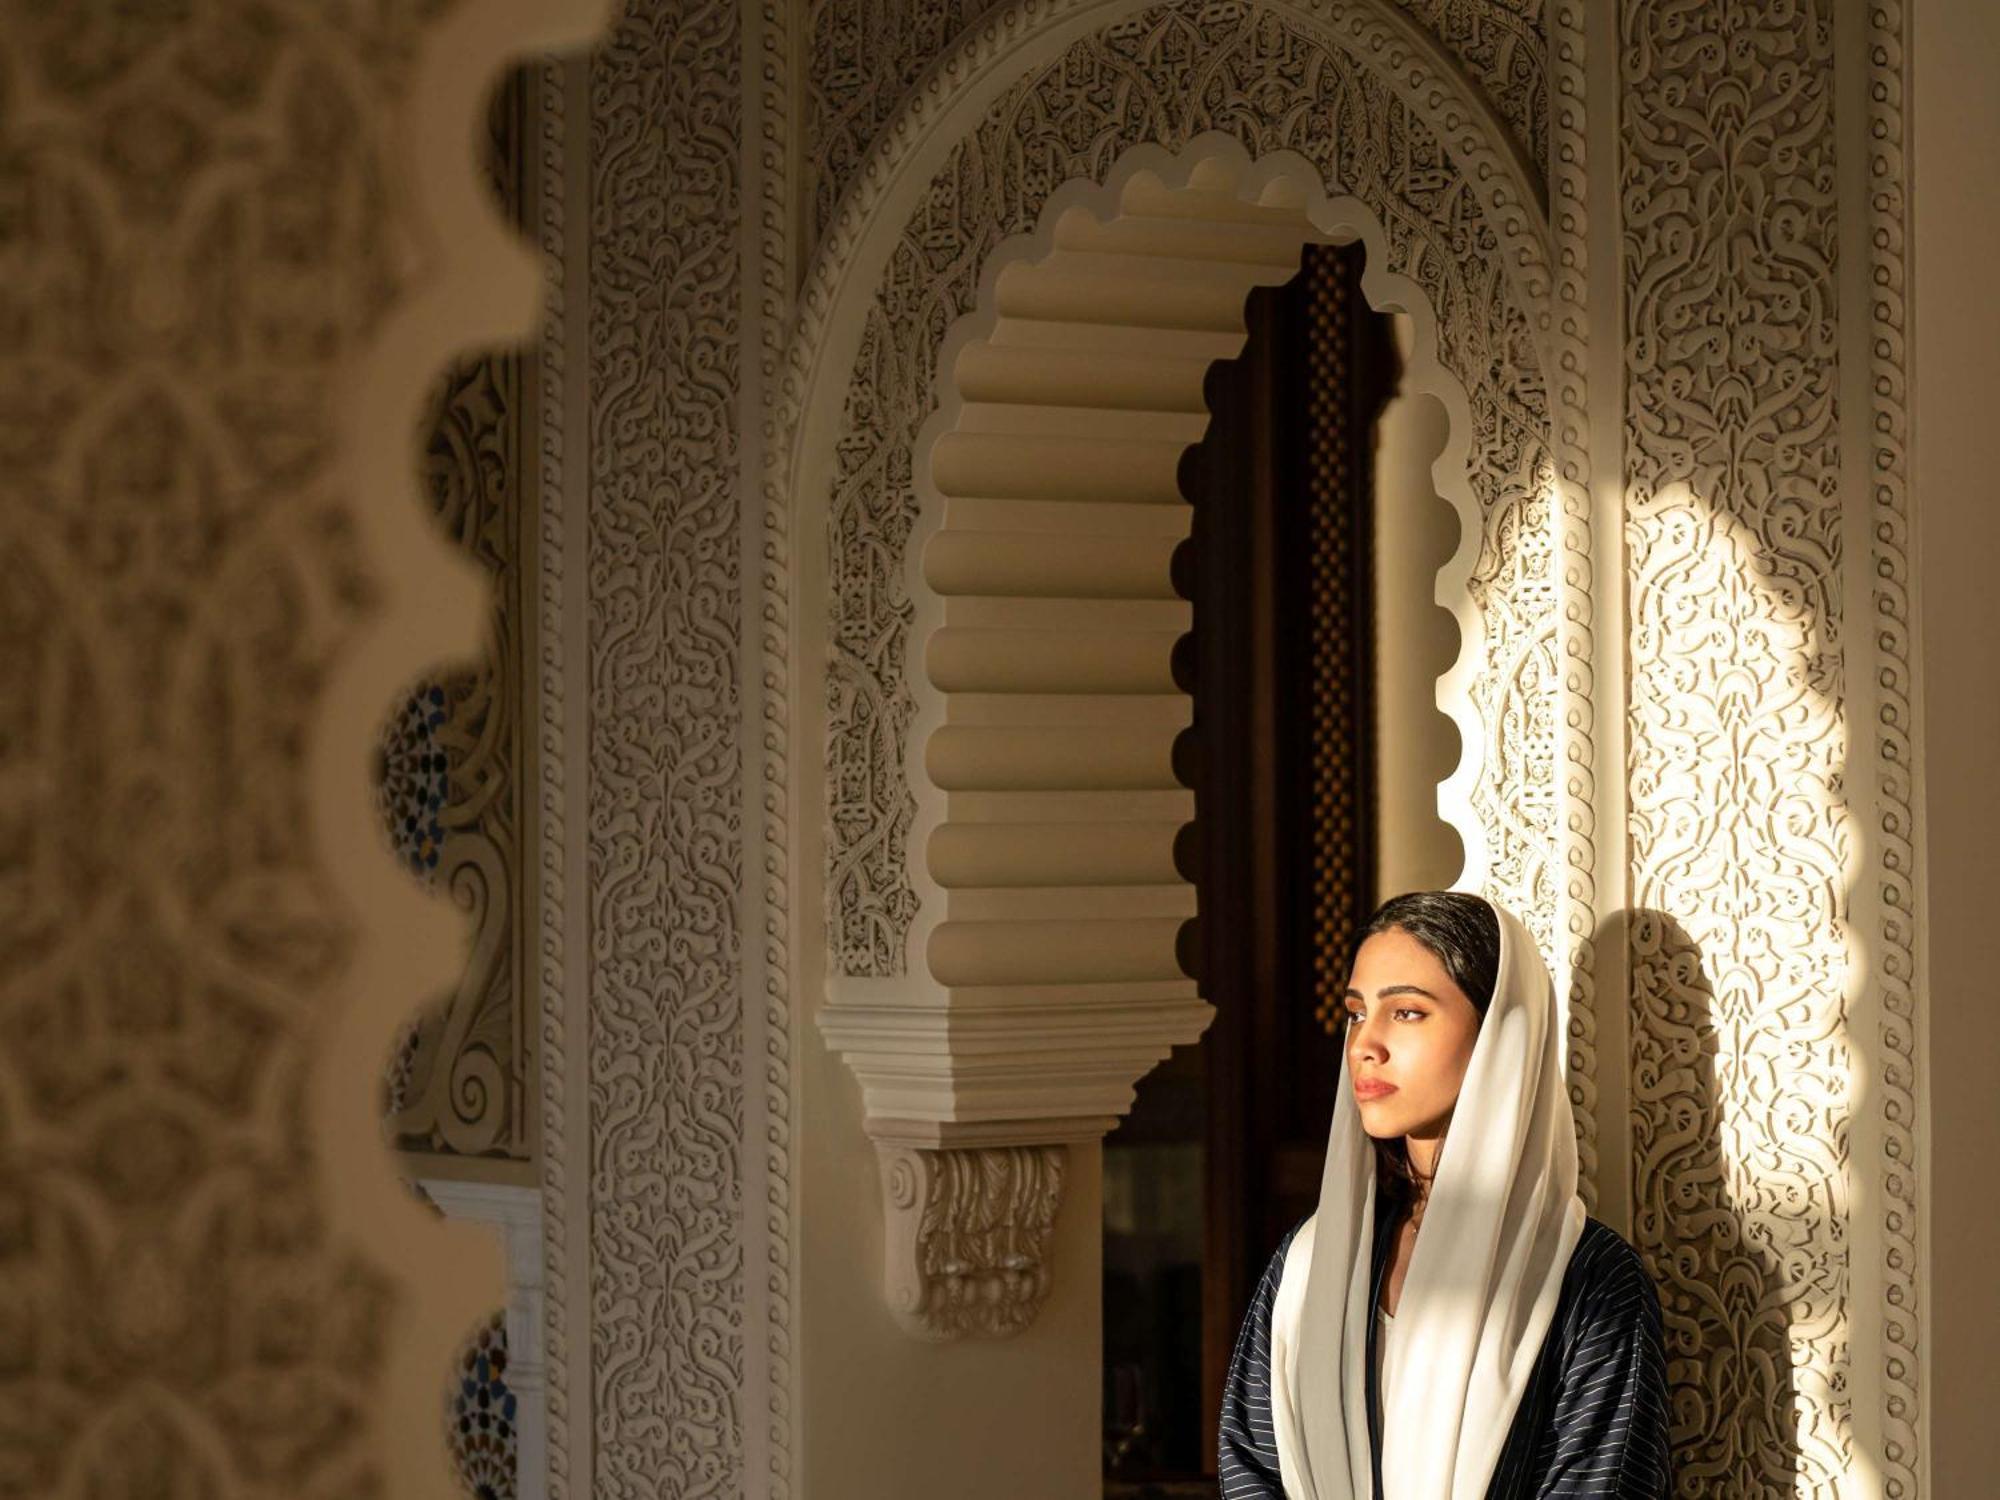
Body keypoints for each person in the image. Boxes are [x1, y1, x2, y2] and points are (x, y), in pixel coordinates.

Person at [1217, 891, 1672, 1499]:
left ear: (1498, 1035)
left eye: (1406, 1012)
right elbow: (1250, 1469)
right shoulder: (1304, 1265)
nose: (1364, 1045)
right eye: (1356, 1013)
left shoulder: (1588, 1279)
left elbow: (1603, 1485)